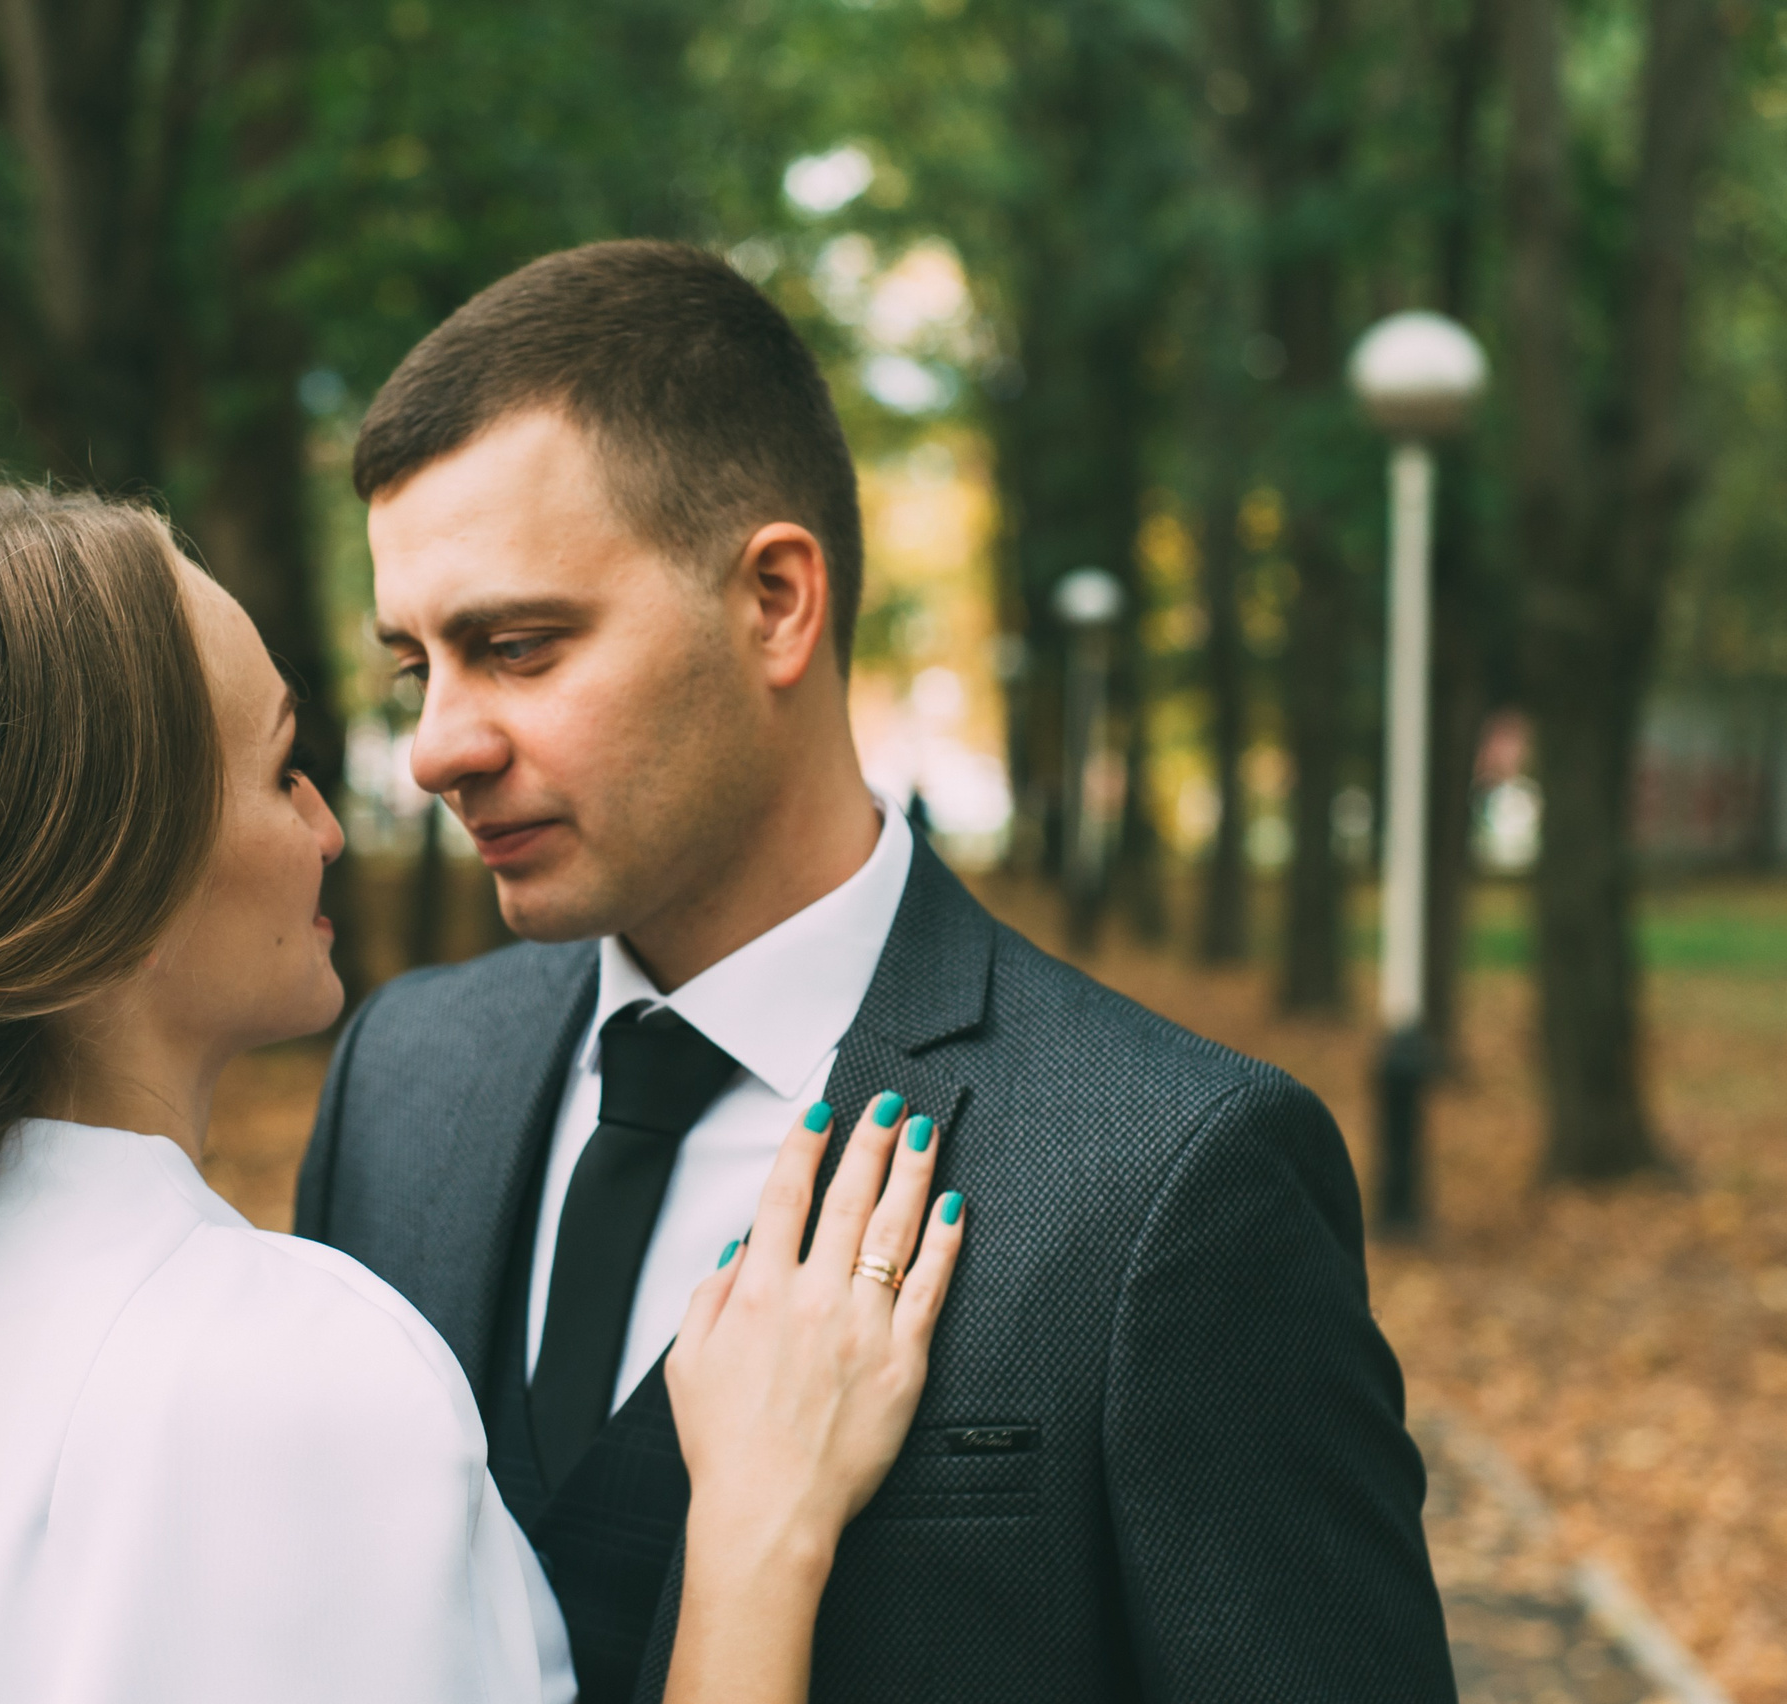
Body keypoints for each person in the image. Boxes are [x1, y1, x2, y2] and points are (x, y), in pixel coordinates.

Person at [0, 485, 969, 1704]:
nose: (334, 829)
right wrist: (757, 1542)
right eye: (284, 770)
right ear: (116, 880)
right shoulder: (291, 1374)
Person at [297, 241, 1458, 1703]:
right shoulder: (401, 1081)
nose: (438, 747)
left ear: (777, 600)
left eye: (517, 648)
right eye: (418, 668)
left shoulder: (1170, 1179)